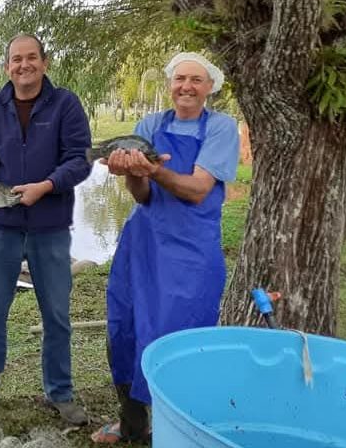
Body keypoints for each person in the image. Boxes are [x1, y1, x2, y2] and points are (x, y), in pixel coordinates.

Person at [91, 52, 239, 443]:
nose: (186, 87)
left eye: (196, 80)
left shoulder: (222, 128)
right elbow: (141, 196)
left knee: (181, 337)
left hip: (191, 250)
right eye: (180, 79)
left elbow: (198, 190)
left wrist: (155, 170)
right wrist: (132, 174)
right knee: (124, 328)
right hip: (143, 244)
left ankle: (182, 428)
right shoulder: (150, 125)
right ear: (170, 85)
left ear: (210, 88)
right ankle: (133, 423)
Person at [0, 34, 91, 425]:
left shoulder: (65, 104)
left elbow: (80, 160)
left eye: (31, 58)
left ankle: (60, 392)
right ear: (7, 67)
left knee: (57, 316)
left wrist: (46, 186)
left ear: (44, 63)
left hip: (50, 227)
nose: (24, 65)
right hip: (1, 227)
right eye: (16, 59)